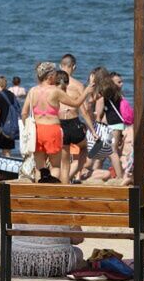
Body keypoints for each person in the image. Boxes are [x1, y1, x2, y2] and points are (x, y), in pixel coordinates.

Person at [21, 62, 94, 181]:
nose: (56, 77)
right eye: (55, 74)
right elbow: (75, 103)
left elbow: (24, 113)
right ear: (49, 76)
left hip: (37, 131)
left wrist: (27, 128)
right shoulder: (55, 91)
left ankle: (41, 193)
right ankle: (51, 192)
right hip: (52, 131)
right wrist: (86, 91)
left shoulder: (32, 91)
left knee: (40, 167)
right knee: (55, 166)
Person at [58, 55, 97, 184]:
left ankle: (63, 184)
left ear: (60, 66)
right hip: (74, 123)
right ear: (74, 67)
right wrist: (92, 130)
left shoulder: (53, 83)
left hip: (58, 124)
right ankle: (72, 175)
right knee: (85, 147)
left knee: (63, 161)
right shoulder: (78, 85)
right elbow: (84, 111)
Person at [94, 67, 125, 180]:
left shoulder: (107, 94)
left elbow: (99, 113)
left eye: (121, 82)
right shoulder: (117, 94)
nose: (121, 84)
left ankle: (120, 178)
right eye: (119, 82)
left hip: (112, 124)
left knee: (112, 151)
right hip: (115, 124)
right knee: (101, 154)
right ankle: (96, 176)